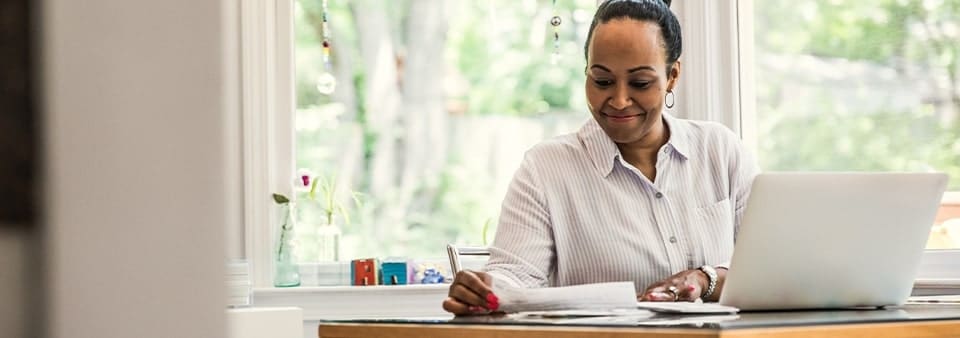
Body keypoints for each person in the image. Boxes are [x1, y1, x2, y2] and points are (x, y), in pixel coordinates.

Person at [442, 0, 758, 315]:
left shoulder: (721, 150)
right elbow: (516, 277)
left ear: (672, 75)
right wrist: (484, 290)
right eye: (602, 81)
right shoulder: (544, 169)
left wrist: (705, 278)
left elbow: (766, 269)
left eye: (640, 83)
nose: (619, 101)